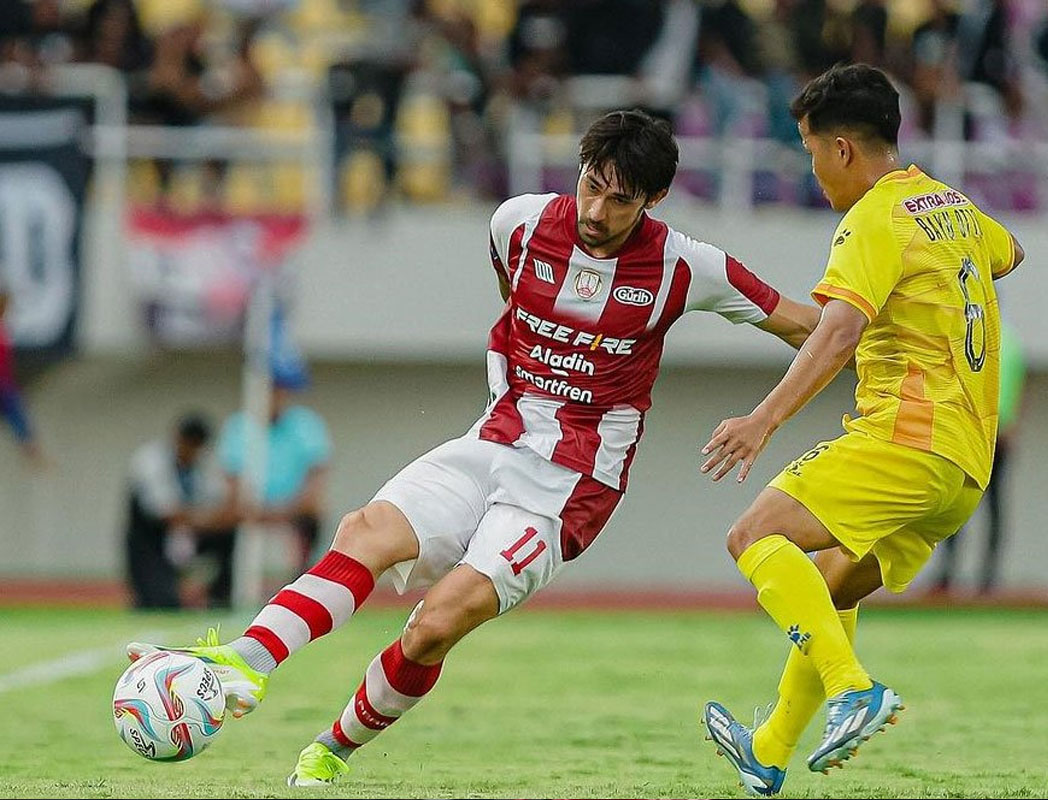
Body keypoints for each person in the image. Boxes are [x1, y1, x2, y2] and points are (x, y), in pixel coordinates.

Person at [126, 108, 826, 787]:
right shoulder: (517, 223)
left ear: (655, 199)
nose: (598, 211)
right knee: (364, 531)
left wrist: (877, 346)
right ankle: (247, 664)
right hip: (494, 437)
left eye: (621, 200)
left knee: (435, 624)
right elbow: (511, 298)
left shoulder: (684, 266)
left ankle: (331, 749)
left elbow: (806, 325)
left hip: (569, 482)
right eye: (591, 185)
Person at [699, 64, 1024, 795]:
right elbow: (1011, 253)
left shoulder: (874, 216)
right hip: (964, 467)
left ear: (843, 148)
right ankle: (771, 747)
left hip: (907, 436)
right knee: (832, 586)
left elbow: (840, 331)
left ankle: (854, 689)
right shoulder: (952, 207)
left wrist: (763, 419)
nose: (813, 172)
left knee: (753, 536)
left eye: (811, 152)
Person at [931, 321, 1026, 595]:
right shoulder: (1008, 340)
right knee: (976, 506)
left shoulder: (981, 337)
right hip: (989, 432)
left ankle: (968, 576)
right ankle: (977, 577)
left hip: (982, 432)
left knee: (963, 503)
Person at [215, 367, 331, 583]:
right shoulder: (238, 427)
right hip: (249, 509)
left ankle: (304, 579)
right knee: (222, 519)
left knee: (314, 516)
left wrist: (283, 511)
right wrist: (251, 510)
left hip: (292, 510)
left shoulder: (306, 425)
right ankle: (225, 583)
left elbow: (315, 481)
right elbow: (232, 481)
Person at [125, 413, 237, 609]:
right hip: (152, 541)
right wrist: (205, 518)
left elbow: (224, 507)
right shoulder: (150, 460)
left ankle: (218, 593)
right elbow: (166, 513)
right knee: (160, 603)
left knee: (228, 533)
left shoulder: (204, 465)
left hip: (191, 532)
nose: (190, 452)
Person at [0, 285, 48, 467]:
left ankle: (32, 451)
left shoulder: (4, 328)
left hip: (6, 383)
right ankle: (33, 452)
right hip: (3, 385)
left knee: (18, 415)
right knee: (16, 413)